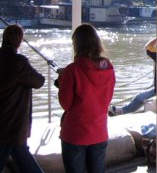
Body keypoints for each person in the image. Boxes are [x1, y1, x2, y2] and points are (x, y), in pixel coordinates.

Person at [57, 23, 115, 173]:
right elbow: (106, 97)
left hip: (75, 134)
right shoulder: (108, 67)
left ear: (77, 44)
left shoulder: (73, 70)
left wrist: (63, 80)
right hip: (99, 131)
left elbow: (65, 103)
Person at [0, 24, 46, 173]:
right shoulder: (19, 62)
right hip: (12, 124)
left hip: (4, 124)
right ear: (19, 41)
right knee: (21, 155)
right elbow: (38, 81)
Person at [109, 37, 157, 115]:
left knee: (139, 98)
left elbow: (147, 47)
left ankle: (120, 111)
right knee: (141, 96)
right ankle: (121, 110)